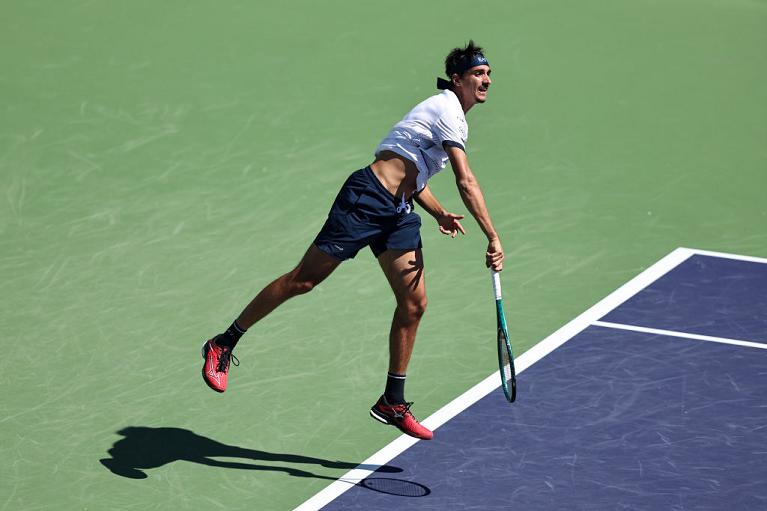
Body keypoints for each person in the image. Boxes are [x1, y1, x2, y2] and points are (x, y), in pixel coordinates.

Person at [201, 40, 504, 441]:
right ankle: (223, 343)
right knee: (304, 281)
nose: (486, 80)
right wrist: (493, 236)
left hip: (397, 213)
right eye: (478, 74)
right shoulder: (447, 107)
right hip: (365, 200)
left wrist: (437, 212)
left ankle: (392, 400)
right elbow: (465, 180)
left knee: (414, 304)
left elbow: (411, 173)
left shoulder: (455, 119)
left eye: (488, 74)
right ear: (457, 79)